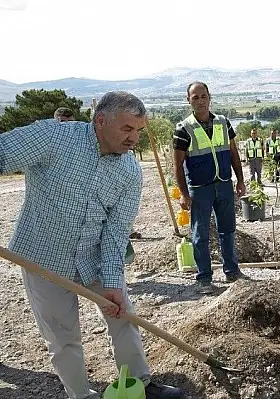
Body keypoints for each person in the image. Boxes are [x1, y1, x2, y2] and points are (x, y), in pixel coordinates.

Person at [0, 91, 183, 399]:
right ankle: (82, 395)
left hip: (93, 258)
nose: (133, 138)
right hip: (42, 259)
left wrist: (112, 282)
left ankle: (140, 384)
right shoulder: (53, 138)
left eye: (138, 130)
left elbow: (115, 233)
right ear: (101, 120)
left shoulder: (129, 172)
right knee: (62, 337)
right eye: (127, 129)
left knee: (123, 317)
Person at [173, 82, 247, 295]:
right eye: (195, 97)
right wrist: (184, 194)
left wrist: (240, 181)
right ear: (188, 101)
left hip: (224, 185)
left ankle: (232, 271)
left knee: (228, 230)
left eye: (203, 96)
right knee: (200, 235)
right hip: (200, 190)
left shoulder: (223, 123)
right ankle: (204, 278)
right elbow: (177, 165)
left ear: (209, 97)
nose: (200, 100)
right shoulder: (183, 128)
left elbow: (233, 153)